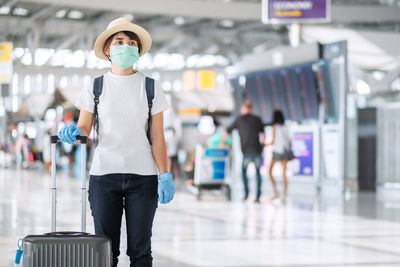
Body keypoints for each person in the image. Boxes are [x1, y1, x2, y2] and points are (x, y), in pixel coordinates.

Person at [57, 17, 175, 267]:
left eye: (132, 42)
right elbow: (84, 129)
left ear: (138, 51)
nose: (126, 46)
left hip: (143, 177)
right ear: (108, 49)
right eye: (119, 41)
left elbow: (157, 136)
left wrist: (165, 174)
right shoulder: (96, 86)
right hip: (104, 176)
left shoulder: (151, 87)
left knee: (140, 252)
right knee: (104, 252)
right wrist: (71, 132)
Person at [221, 100, 265, 203]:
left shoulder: (239, 119)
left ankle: (246, 194)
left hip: (246, 152)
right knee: (258, 174)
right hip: (257, 150)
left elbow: (227, 131)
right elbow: (263, 135)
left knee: (244, 173)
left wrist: (223, 142)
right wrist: (262, 146)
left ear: (244, 108)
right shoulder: (257, 119)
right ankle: (257, 197)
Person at [266, 110, 291, 203]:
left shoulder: (274, 127)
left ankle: (276, 192)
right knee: (284, 174)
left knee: (270, 172)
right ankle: (284, 195)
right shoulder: (286, 126)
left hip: (277, 151)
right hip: (285, 151)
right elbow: (289, 140)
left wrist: (264, 144)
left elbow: (273, 141)